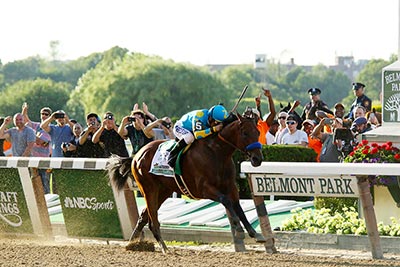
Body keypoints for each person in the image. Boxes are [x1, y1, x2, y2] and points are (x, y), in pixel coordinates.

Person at [22, 103, 53, 193]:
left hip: (44, 162)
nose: (43, 116)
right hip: (33, 161)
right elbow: (26, 120)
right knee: (34, 186)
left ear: (50, 116)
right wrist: (24, 111)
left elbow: (39, 141)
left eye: (46, 114)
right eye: (42, 114)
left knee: (45, 186)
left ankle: (46, 205)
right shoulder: (36, 126)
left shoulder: (50, 129)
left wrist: (30, 133)